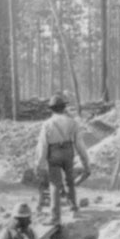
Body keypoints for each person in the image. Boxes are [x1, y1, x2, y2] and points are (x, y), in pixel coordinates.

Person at [34, 93, 92, 223]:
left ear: (52, 109)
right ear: (63, 108)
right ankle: (74, 210)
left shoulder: (47, 124)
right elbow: (79, 144)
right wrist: (85, 161)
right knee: (69, 181)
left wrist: (39, 163)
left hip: (53, 152)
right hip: (68, 150)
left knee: (54, 183)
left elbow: (43, 145)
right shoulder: (72, 122)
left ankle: (55, 217)